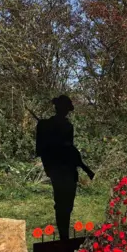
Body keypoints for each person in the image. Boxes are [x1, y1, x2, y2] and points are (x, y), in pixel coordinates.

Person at [35, 94, 94, 240]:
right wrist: (48, 167)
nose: (65, 111)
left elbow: (71, 149)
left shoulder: (68, 126)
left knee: (68, 202)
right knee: (61, 202)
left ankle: (65, 235)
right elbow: (42, 150)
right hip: (57, 168)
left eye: (66, 109)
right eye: (63, 108)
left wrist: (82, 166)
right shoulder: (45, 125)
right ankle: (63, 237)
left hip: (69, 168)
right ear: (57, 108)